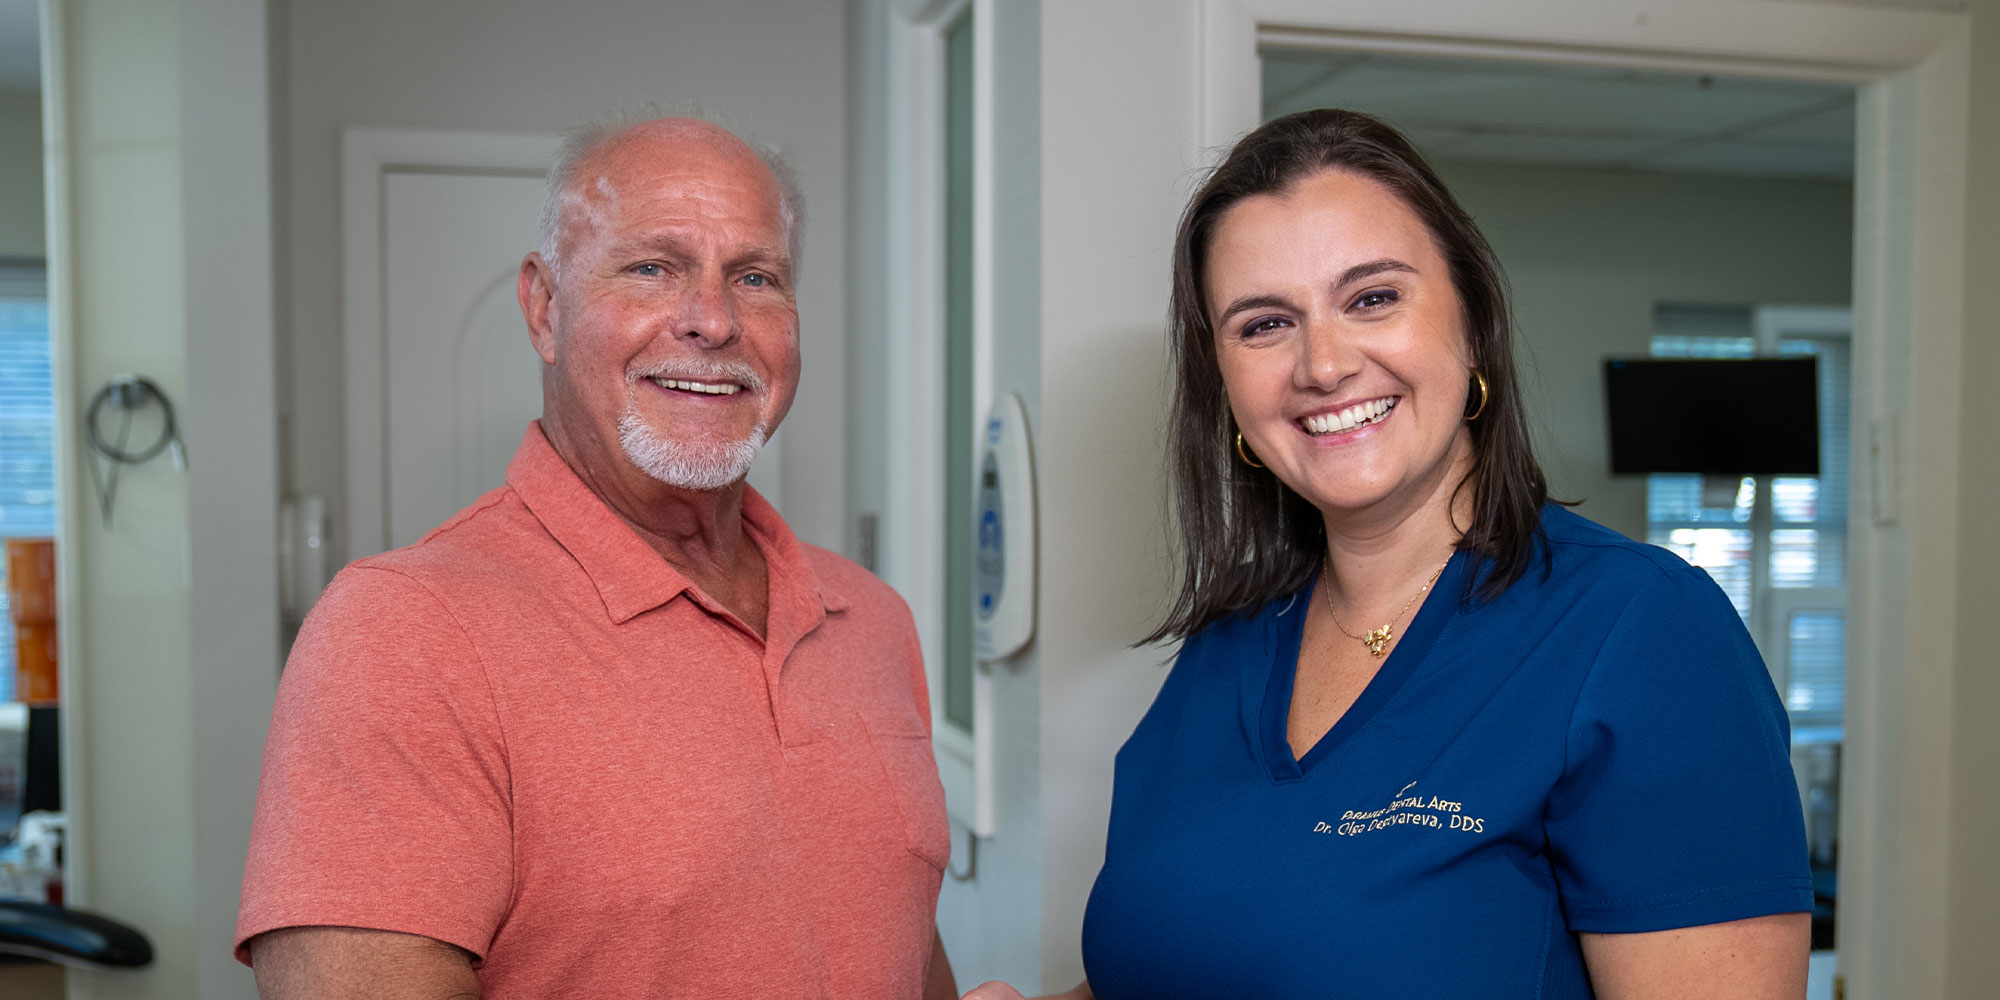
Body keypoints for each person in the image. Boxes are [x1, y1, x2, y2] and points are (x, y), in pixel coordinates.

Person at [966, 109, 1811, 999]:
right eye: (1264, 324)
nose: (1323, 365)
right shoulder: (1232, 640)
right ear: (1225, 384)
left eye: (1372, 298)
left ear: (1472, 322)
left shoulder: (1643, 632)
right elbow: (1195, 964)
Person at [237, 116, 957, 1000]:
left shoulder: (873, 617)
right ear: (545, 308)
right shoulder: (401, 633)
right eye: (652, 267)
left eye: (756, 277)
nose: (713, 320)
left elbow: (891, 948)